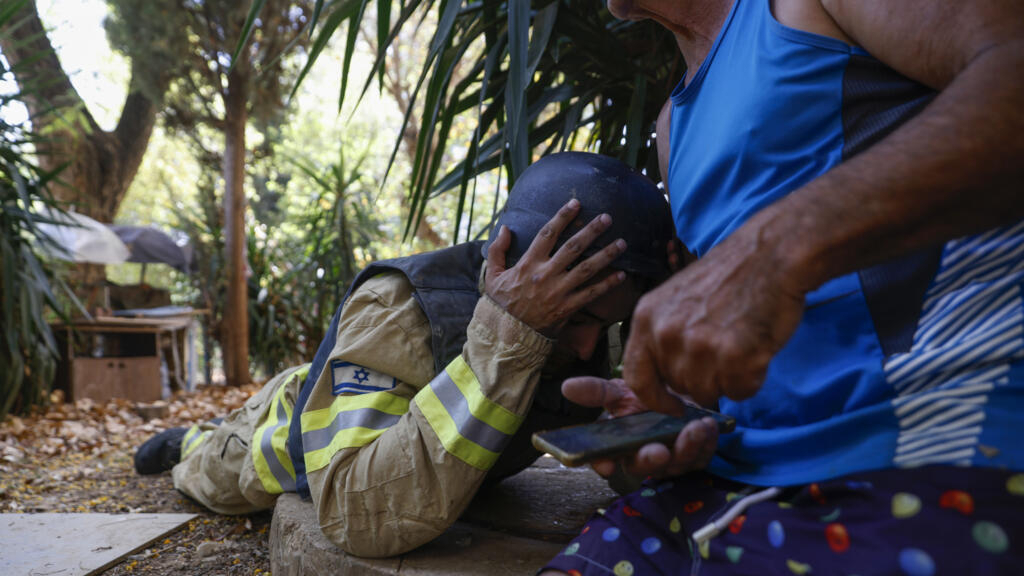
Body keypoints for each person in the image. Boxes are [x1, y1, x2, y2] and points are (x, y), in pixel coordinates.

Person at [541, 0, 1024, 574]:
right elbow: (750, 333)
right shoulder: (673, 128)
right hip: (728, 489)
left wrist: (777, 245)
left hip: (932, 450)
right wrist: (679, 418)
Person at [134, 151, 677, 557]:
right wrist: (511, 337)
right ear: (505, 262)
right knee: (216, 474)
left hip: (379, 394)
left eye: (605, 324)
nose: (589, 348)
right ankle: (191, 440)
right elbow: (354, 513)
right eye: (575, 320)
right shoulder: (400, 307)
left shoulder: (598, 318)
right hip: (288, 434)